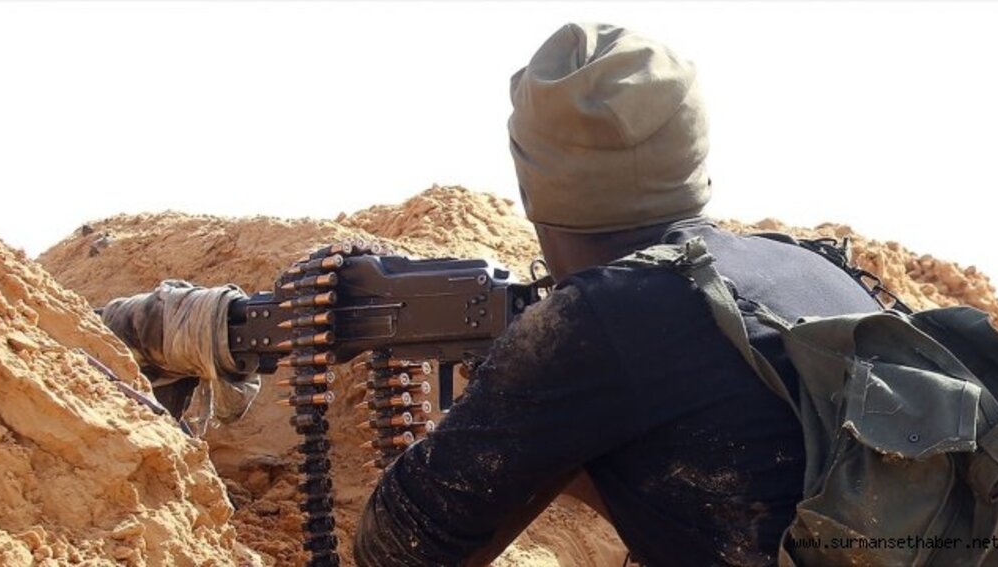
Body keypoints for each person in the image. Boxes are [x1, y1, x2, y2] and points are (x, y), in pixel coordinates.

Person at [354, 22, 881, 567]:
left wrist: (507, 416)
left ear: (534, 185)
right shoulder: (809, 267)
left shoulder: (602, 319)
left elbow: (397, 550)